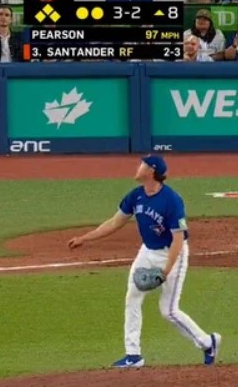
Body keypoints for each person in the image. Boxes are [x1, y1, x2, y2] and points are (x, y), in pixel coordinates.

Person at [67, 154, 221, 369]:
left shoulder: (171, 200)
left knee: (168, 311)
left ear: (152, 171)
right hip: (147, 252)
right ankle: (133, 355)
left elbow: (178, 239)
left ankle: (207, 342)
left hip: (172, 254)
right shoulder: (136, 196)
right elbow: (115, 222)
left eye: (142, 165)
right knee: (132, 297)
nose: (138, 167)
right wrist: (85, 238)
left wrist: (166, 271)